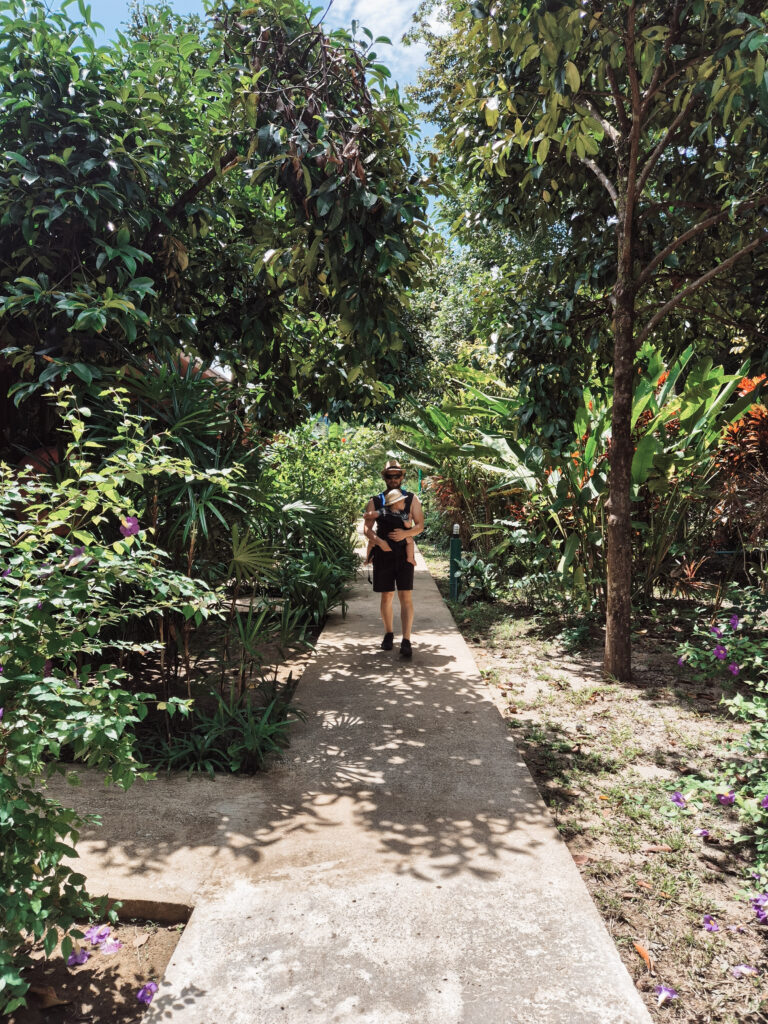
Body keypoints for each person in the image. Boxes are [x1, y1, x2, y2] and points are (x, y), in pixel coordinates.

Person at [363, 459, 424, 658]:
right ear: (385, 478)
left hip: (403, 555)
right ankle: (388, 633)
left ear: (402, 477)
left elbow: (419, 526)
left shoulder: (411, 499)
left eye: (397, 475)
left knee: (405, 596)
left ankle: (406, 640)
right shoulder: (376, 500)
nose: (393, 479)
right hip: (384, 553)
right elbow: (367, 529)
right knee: (387, 596)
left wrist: (406, 534)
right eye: (390, 476)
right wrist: (379, 542)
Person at [364, 489, 417, 567]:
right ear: (396, 503)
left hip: (384, 538)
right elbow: (408, 526)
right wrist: (409, 519)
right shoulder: (403, 514)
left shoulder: (383, 511)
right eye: (403, 502)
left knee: (372, 542)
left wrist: (367, 515)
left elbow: (374, 514)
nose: (405, 503)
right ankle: (410, 558)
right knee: (410, 540)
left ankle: (368, 558)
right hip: (398, 540)